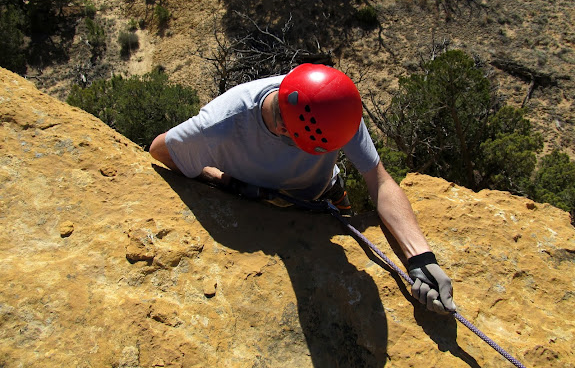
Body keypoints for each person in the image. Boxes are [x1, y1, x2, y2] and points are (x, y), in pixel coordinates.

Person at [150, 63, 456, 314]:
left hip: (325, 195)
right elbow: (161, 150)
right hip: (265, 206)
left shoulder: (329, 102)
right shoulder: (220, 125)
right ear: (285, 129)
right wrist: (222, 178)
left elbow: (380, 180)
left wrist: (421, 258)